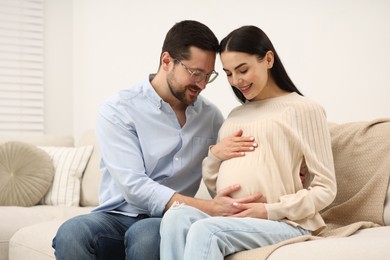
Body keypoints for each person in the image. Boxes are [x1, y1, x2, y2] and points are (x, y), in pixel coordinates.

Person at [52, 20, 261, 260]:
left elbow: (232, 161)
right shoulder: (119, 109)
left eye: (208, 76)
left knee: (147, 235)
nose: (202, 85)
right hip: (116, 217)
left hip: (168, 220)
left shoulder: (210, 117)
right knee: (71, 232)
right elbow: (135, 187)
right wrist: (210, 208)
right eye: (195, 74)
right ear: (166, 61)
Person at [159, 25, 337, 260]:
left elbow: (326, 188)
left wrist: (268, 210)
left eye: (243, 70)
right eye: (229, 73)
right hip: (234, 219)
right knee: (174, 217)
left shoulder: (304, 109)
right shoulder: (235, 115)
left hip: (284, 222)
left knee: (207, 231)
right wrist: (215, 157)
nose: (236, 81)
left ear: (268, 59)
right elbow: (216, 189)